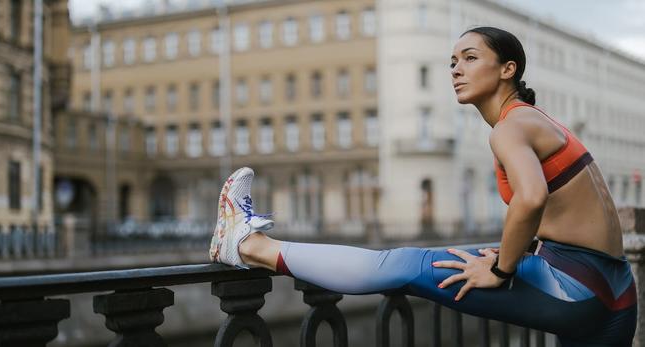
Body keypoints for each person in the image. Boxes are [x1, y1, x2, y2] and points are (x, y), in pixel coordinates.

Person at [208, 27, 637, 346]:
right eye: (452, 61)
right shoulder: (536, 121)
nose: (455, 69)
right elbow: (559, 209)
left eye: (469, 58)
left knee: (404, 264)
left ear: (508, 69)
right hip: (615, 286)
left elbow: (531, 198)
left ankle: (250, 246)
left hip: (576, 284)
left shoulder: (511, 126)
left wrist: (502, 269)